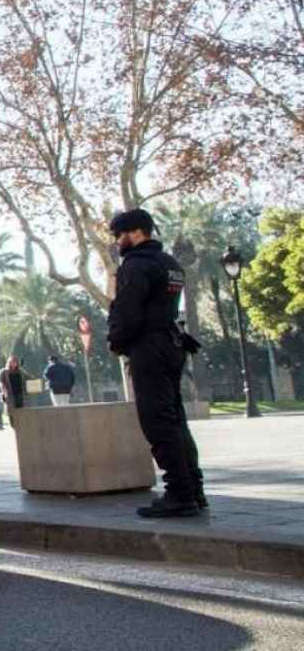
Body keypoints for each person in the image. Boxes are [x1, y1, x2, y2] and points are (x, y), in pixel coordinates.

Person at [106, 208, 206, 519]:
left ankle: (179, 494)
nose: (117, 241)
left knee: (157, 421)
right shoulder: (170, 263)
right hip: (172, 343)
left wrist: (116, 340)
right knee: (176, 420)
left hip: (149, 347)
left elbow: (129, 311)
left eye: (120, 235)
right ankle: (194, 489)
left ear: (136, 232)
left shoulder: (136, 265)